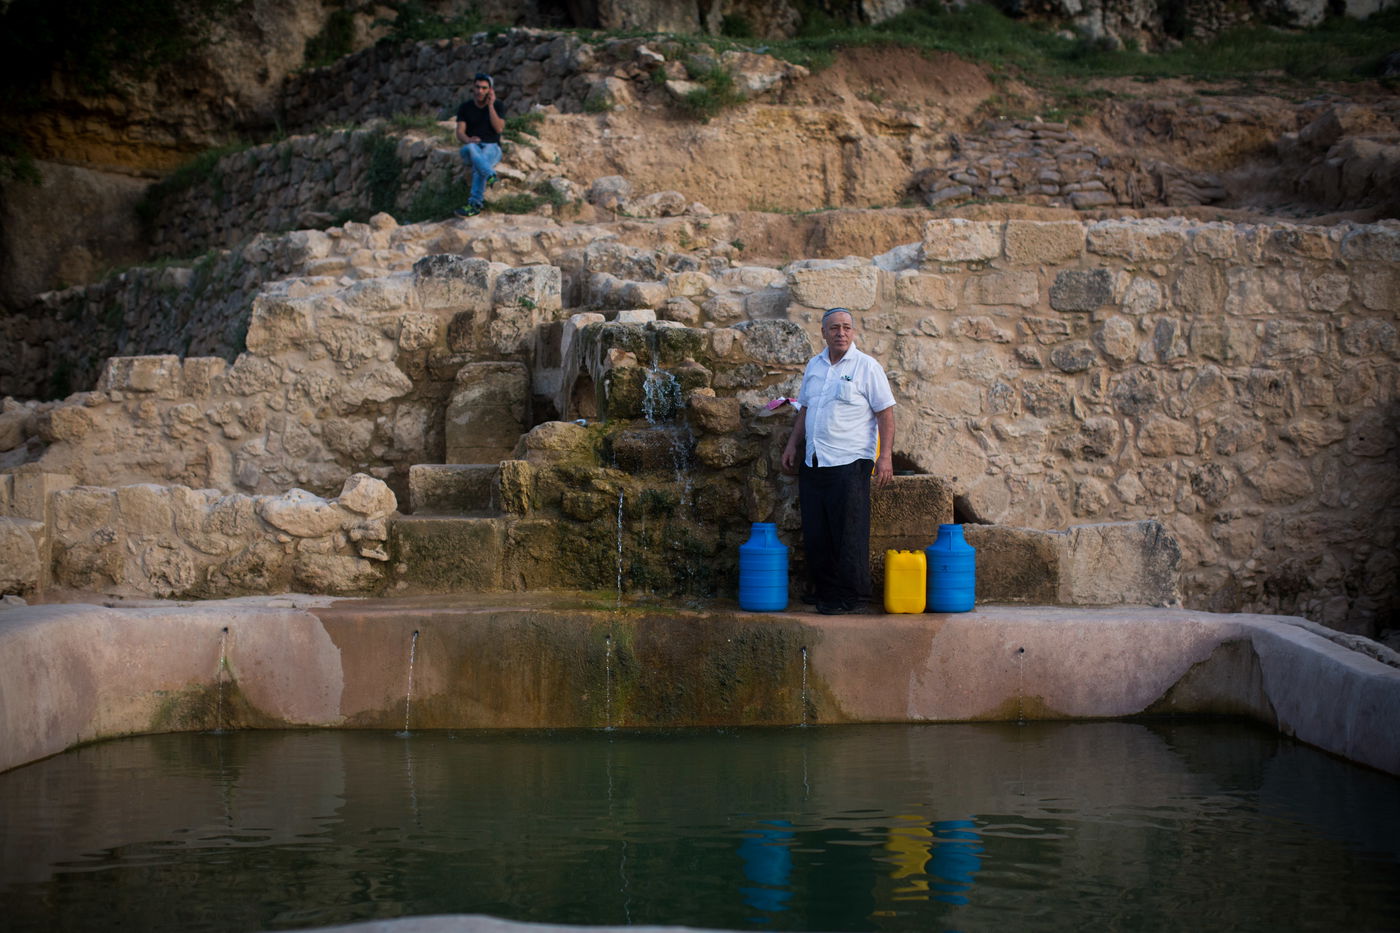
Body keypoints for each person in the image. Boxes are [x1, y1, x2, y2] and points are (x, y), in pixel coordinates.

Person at [781, 308, 896, 615]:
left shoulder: (866, 366)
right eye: (834, 328)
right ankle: (827, 591)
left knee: (849, 533)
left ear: (853, 332)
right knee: (818, 531)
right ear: (824, 333)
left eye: (846, 327)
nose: (840, 333)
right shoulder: (814, 365)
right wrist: (792, 444)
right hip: (815, 460)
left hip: (850, 461)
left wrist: (885, 456)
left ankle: (852, 596)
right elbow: (805, 409)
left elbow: (885, 412)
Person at [453, 72, 505, 218]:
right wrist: (468, 139)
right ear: (473, 87)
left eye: (484, 88)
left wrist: (491, 106)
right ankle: (491, 176)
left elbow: (499, 129)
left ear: (490, 90)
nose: (479, 91)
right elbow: (460, 132)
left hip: (492, 147)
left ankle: (474, 204)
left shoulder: (497, 105)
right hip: (472, 147)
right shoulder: (465, 107)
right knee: (471, 148)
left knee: (478, 166)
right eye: (477, 87)